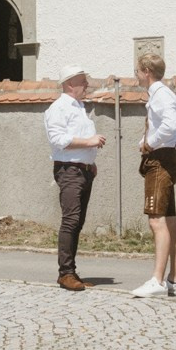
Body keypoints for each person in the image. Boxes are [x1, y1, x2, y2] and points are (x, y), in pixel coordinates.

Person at [129, 53, 176, 298]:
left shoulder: (161, 95)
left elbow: (170, 127)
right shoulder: (163, 94)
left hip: (160, 161)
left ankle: (158, 279)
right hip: (167, 157)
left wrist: (149, 143)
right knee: (170, 220)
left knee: (156, 220)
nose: (136, 75)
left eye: (137, 71)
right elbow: (172, 130)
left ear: (146, 71)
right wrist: (145, 141)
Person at [43, 66, 104, 291]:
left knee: (77, 222)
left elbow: (78, 138)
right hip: (69, 171)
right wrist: (90, 143)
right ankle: (65, 273)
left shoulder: (78, 107)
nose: (86, 85)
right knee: (70, 220)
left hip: (83, 170)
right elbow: (59, 139)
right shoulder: (58, 108)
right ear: (70, 84)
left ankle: (71, 272)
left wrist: (90, 162)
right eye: (82, 82)